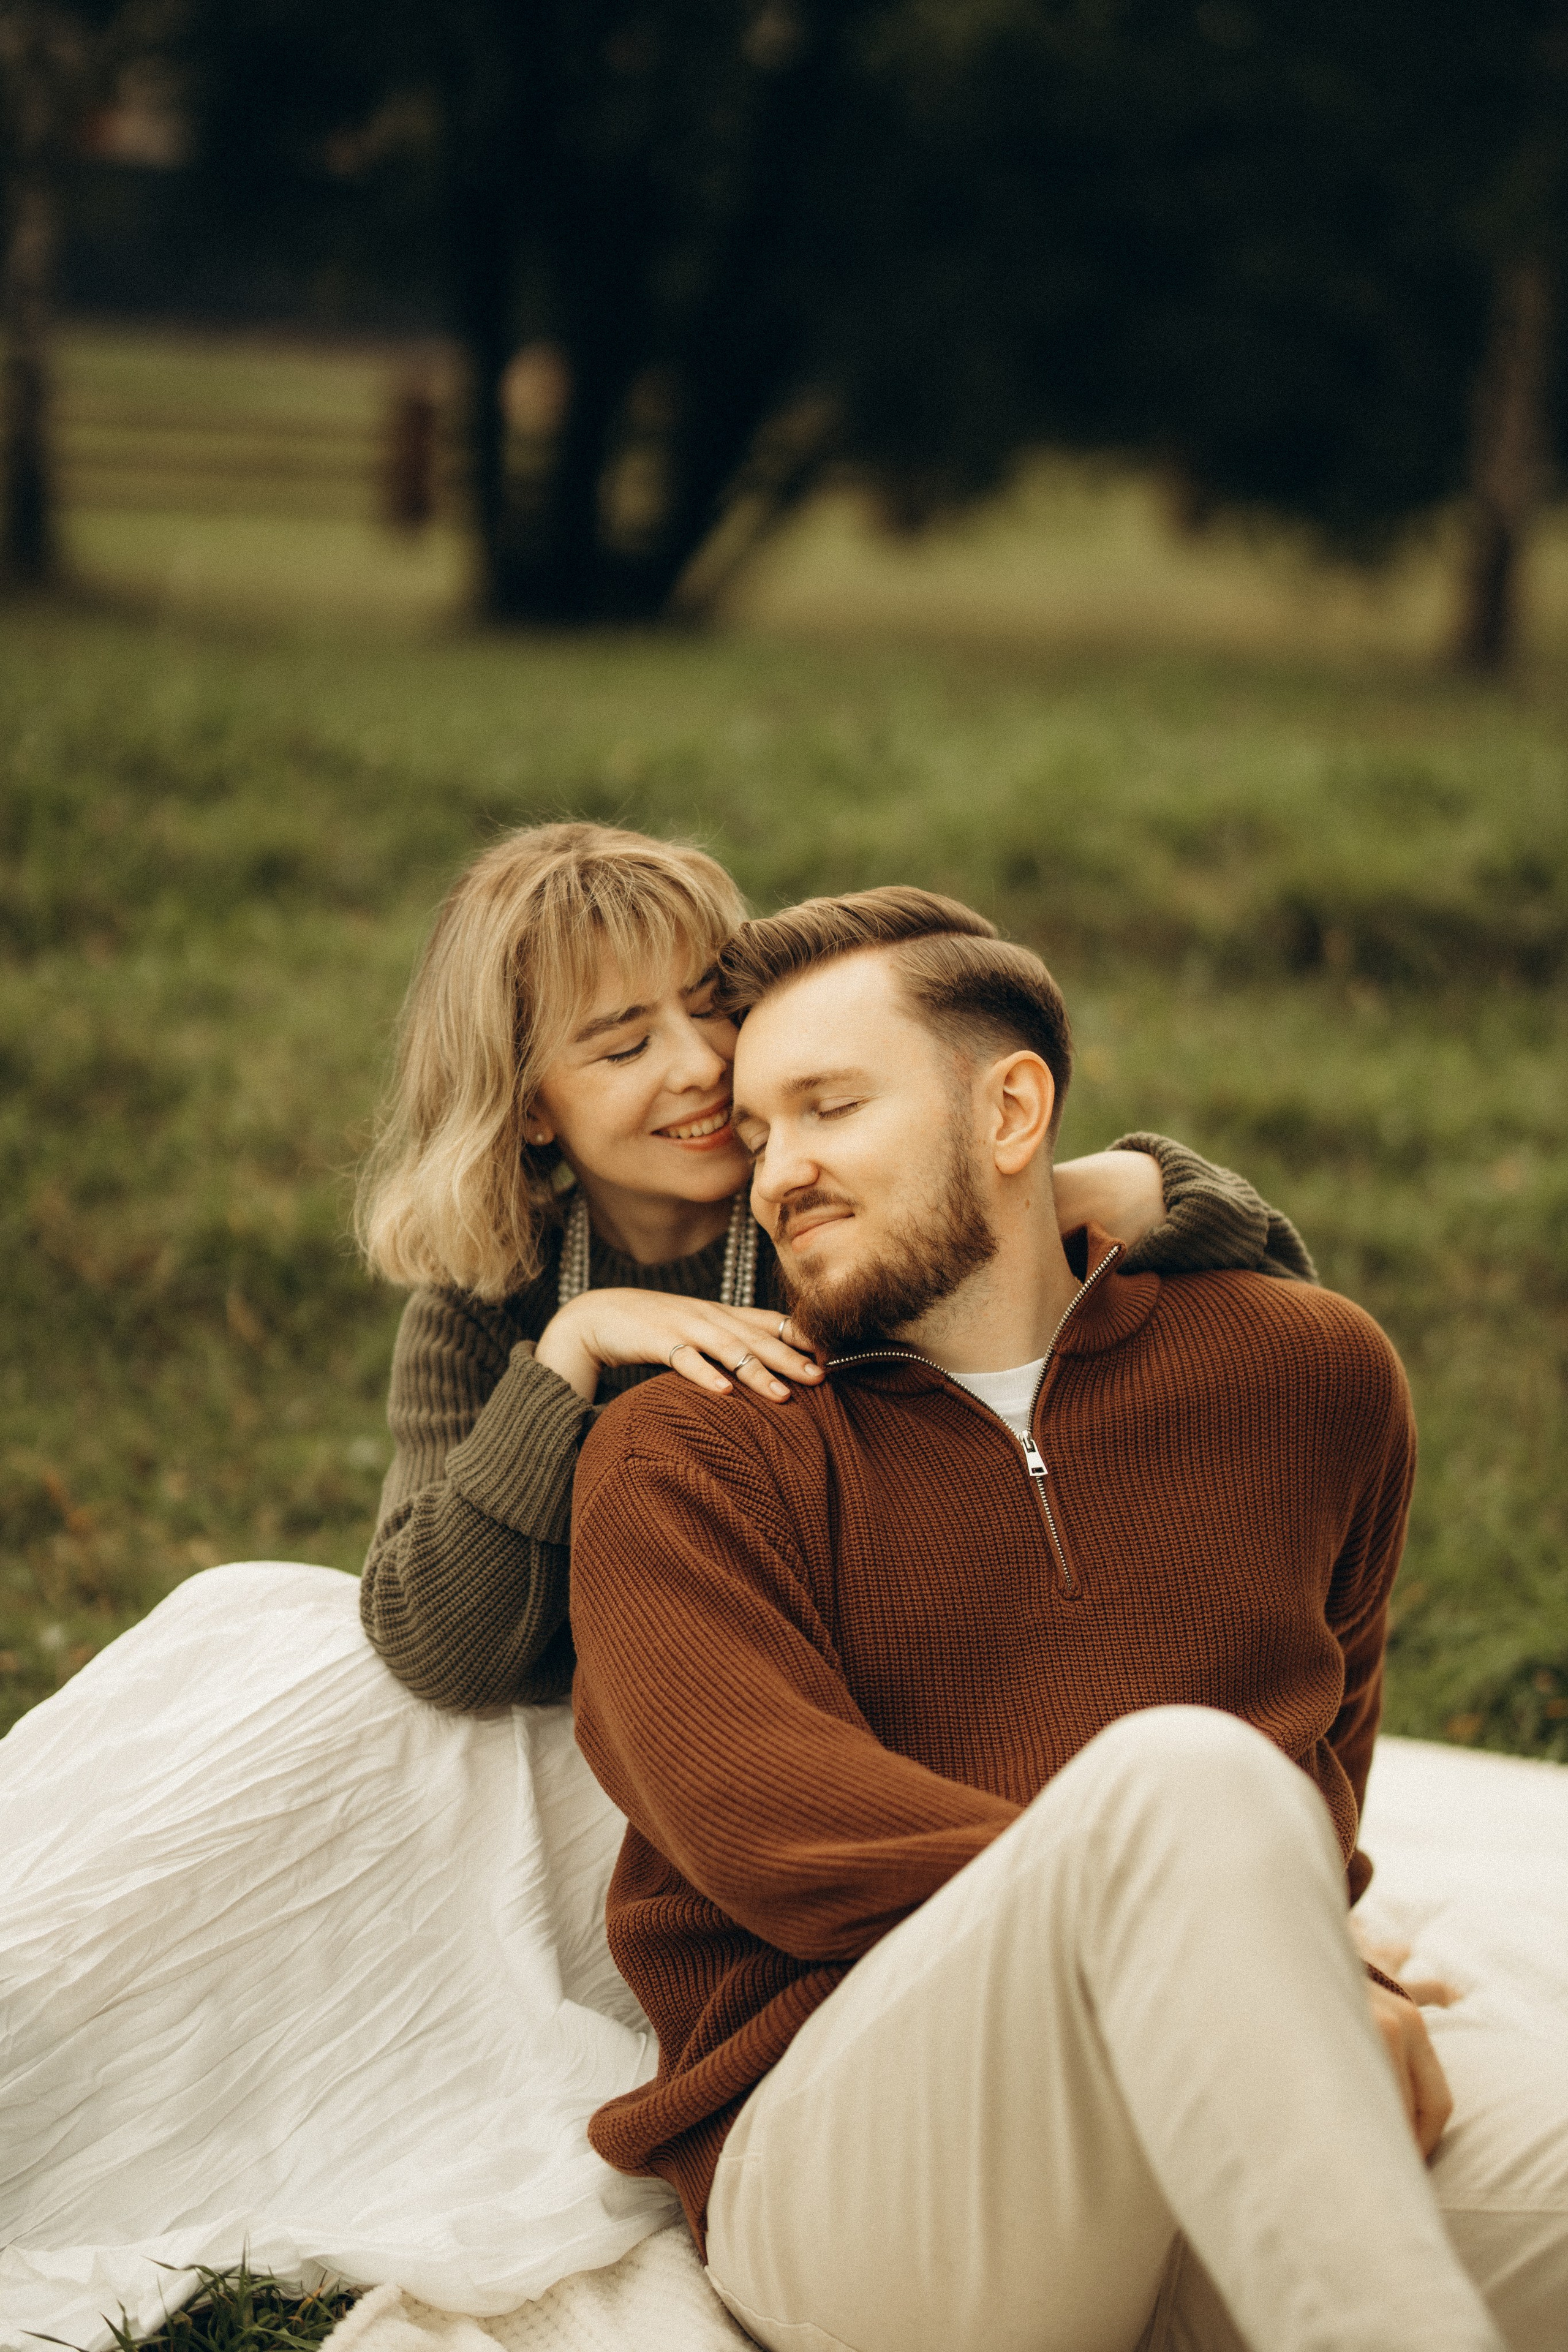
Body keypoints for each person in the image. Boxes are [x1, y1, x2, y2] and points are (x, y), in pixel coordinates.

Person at [567, 886, 1568, 2352]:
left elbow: (1327, 1740)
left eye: (829, 1108)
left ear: (1013, 1112)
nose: (779, 1172)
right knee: (1187, 1776)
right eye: (759, 1133)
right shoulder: (691, 1450)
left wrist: (1269, 1968)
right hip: (871, 2170)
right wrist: (1235, 1928)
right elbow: (761, 1816)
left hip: (1256, 2112)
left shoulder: (1309, 1373)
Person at [355, 821, 1313, 1713]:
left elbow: (1283, 1304)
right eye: (627, 1045)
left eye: (709, 1009)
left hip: (849, 1727)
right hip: (599, 1752)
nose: (698, 1065)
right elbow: (436, 1652)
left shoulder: (837, 1232)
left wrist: (1131, 1181)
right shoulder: (485, 1306)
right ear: (528, 1107)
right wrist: (574, 1346)